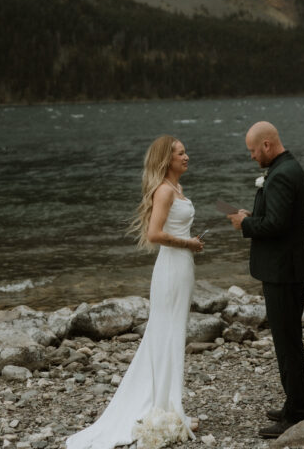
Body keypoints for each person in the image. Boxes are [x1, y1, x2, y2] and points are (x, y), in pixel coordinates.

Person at [66, 135, 204, 449]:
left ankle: (168, 406)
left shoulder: (176, 189)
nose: (186, 156)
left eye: (185, 151)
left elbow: (169, 228)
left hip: (182, 267)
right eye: (181, 153)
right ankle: (161, 408)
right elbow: (155, 234)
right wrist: (189, 243)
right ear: (166, 160)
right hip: (171, 268)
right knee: (164, 335)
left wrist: (188, 244)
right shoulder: (165, 191)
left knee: (172, 335)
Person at [227, 121, 304, 439]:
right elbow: (281, 220)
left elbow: (276, 225)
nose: (251, 157)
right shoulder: (288, 168)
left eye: (252, 150)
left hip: (283, 272)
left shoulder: (281, 175)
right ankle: (296, 403)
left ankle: (299, 412)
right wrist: (251, 217)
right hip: (289, 268)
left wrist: (244, 225)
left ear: (266, 145)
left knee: (287, 343)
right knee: (287, 341)